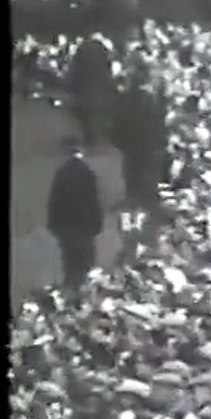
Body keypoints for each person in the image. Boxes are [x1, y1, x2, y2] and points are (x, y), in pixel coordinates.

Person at [47, 137, 104, 291]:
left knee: (70, 263)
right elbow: (93, 200)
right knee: (86, 263)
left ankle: (72, 292)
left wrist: (53, 225)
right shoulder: (87, 172)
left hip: (67, 226)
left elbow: (55, 201)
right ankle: (86, 292)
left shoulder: (61, 173)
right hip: (85, 226)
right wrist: (97, 223)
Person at [111, 66, 168, 212]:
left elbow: (117, 119)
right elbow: (156, 119)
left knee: (131, 169)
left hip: (130, 141)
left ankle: (132, 196)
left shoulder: (124, 98)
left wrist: (117, 139)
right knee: (145, 168)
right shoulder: (148, 99)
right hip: (145, 141)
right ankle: (146, 198)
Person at [67, 36, 116, 147]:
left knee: (84, 115)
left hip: (83, 92)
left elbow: (72, 75)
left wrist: (70, 88)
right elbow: (108, 75)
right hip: (101, 91)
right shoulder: (103, 57)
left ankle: (90, 137)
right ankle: (104, 131)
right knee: (102, 112)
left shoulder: (79, 57)